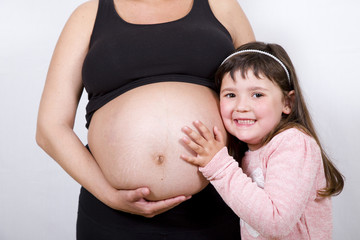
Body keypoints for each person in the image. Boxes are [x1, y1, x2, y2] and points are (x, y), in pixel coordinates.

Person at [36, 0, 255, 239]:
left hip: (215, 203)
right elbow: (50, 127)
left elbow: (263, 93)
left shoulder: (221, 6)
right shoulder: (88, 16)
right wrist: (109, 195)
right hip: (113, 216)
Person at [180, 41, 344, 239]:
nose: (241, 106)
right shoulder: (251, 150)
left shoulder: (293, 143)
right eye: (230, 95)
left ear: (287, 102)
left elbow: (276, 222)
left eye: (257, 95)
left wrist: (219, 166)